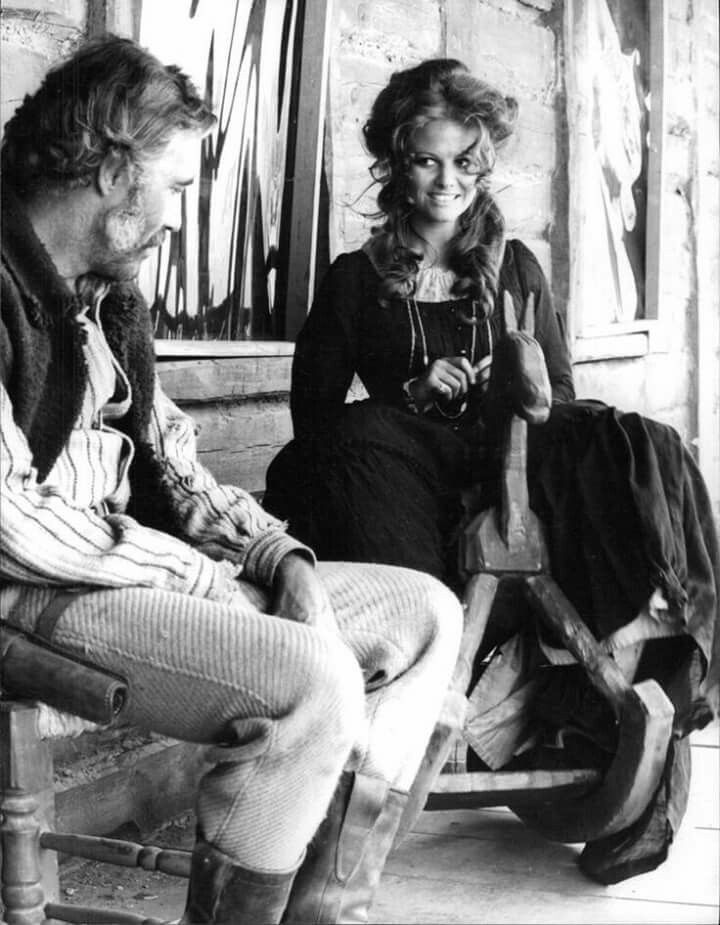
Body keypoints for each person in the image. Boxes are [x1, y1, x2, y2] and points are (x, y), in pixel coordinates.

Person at [0, 37, 463, 924]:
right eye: (173, 185)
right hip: (34, 591)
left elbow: (175, 466)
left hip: (134, 576)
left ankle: (317, 906)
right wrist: (194, 576)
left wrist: (278, 556)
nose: (179, 212)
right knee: (314, 679)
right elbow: (11, 518)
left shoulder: (110, 295)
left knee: (428, 612)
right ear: (109, 167)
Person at [264, 58, 719, 883]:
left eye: (466, 162)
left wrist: (505, 391)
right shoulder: (354, 279)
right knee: (357, 435)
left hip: (500, 471)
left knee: (630, 440)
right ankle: (421, 680)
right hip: (396, 478)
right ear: (396, 162)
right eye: (429, 160)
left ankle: (631, 657)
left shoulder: (516, 271)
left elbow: (561, 398)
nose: (448, 181)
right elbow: (313, 423)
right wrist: (408, 391)